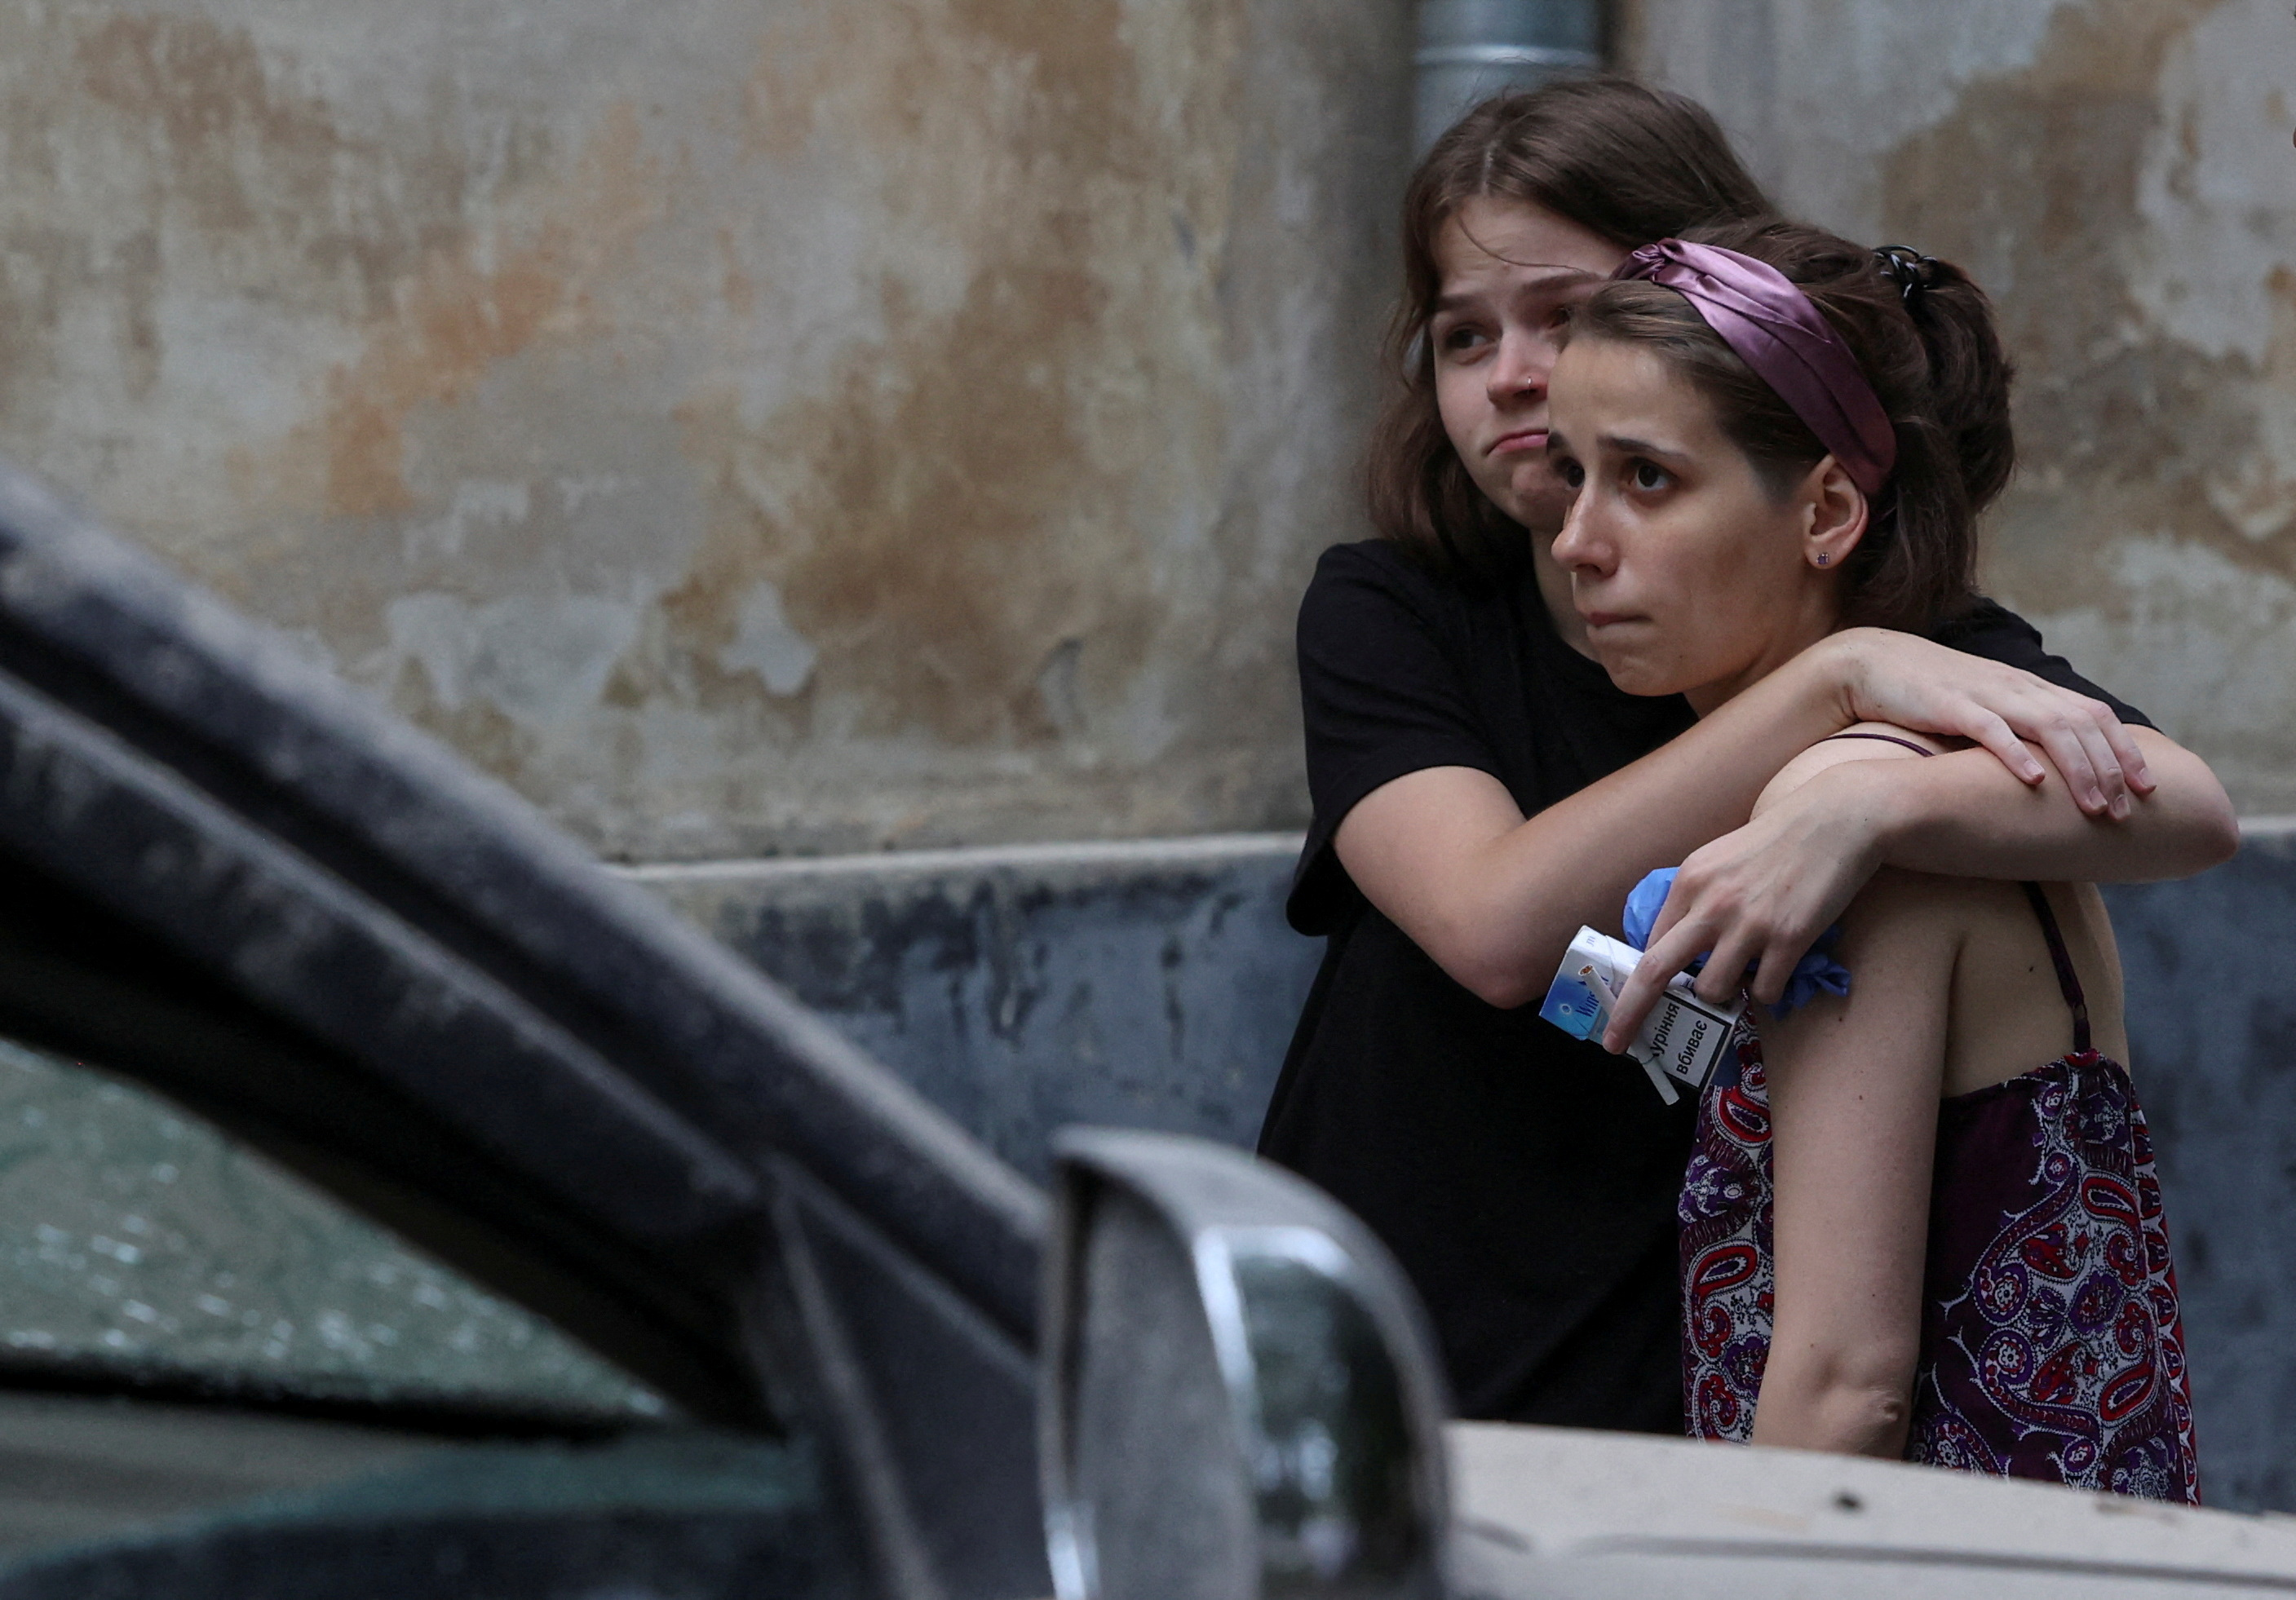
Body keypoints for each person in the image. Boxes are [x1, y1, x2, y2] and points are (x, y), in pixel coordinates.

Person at [1255, 77, 2237, 1437]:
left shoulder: (1886, 629)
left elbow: (2181, 803)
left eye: (1566, 314)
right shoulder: (1398, 610)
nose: (1517, 377)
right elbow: (1492, 925)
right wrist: (1827, 697)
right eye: (1462, 336)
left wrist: (1866, 798)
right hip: (1387, 1350)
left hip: (1658, 1394)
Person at [1544, 221, 2198, 1499]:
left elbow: (1848, 1379)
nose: (1576, 539)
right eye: (1570, 475)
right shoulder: (1931, 781)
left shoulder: (1849, 807)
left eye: (1647, 479)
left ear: (1829, 511)